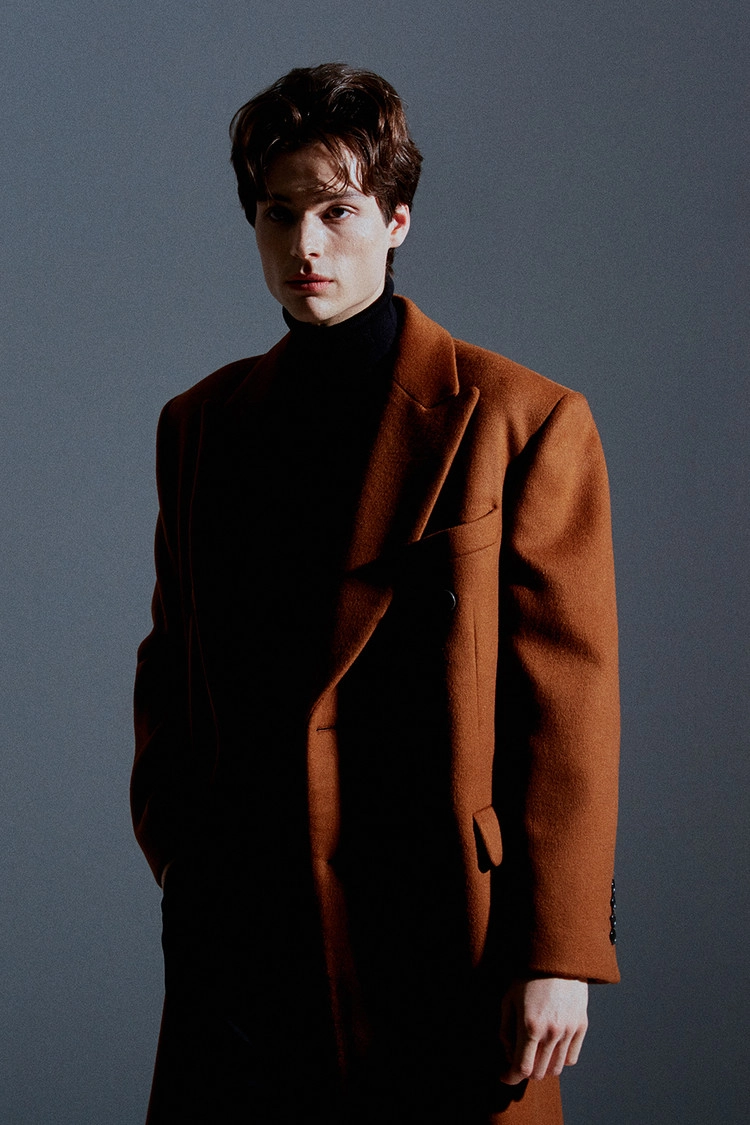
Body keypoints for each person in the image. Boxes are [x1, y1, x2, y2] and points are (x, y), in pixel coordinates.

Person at [131, 63, 620, 1125]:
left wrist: (560, 950)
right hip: (243, 945)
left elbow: (567, 713)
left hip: (443, 933)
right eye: (278, 213)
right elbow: (173, 662)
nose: (304, 245)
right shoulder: (200, 424)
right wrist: (185, 856)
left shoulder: (522, 420)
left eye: (336, 211)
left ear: (396, 221)